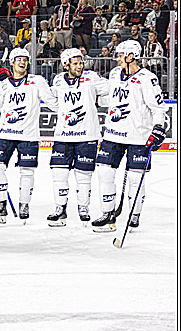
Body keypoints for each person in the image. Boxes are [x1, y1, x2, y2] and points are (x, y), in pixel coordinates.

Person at [92, 39, 167, 231]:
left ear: (131, 56)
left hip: (138, 137)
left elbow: (158, 107)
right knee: (104, 172)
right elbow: (112, 96)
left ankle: (134, 214)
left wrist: (158, 128)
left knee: (135, 178)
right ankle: (108, 214)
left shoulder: (147, 78)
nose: (117, 59)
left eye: (120, 55)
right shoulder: (116, 73)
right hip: (112, 134)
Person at [0, 48, 56, 223]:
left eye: (25, 59)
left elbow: (53, 102)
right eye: (18, 59)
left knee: (27, 171)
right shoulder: (3, 84)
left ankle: (24, 204)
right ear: (11, 62)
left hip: (29, 135)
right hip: (4, 133)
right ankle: (1, 204)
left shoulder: (37, 81)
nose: (22, 62)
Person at [47, 48, 109, 226]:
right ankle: (60, 209)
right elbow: (52, 100)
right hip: (63, 135)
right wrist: (63, 111)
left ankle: (83, 207)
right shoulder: (58, 79)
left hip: (87, 135)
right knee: (59, 174)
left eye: (81, 62)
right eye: (75, 63)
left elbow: (110, 89)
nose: (79, 66)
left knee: (84, 175)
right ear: (66, 65)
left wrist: (98, 101)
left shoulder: (91, 78)